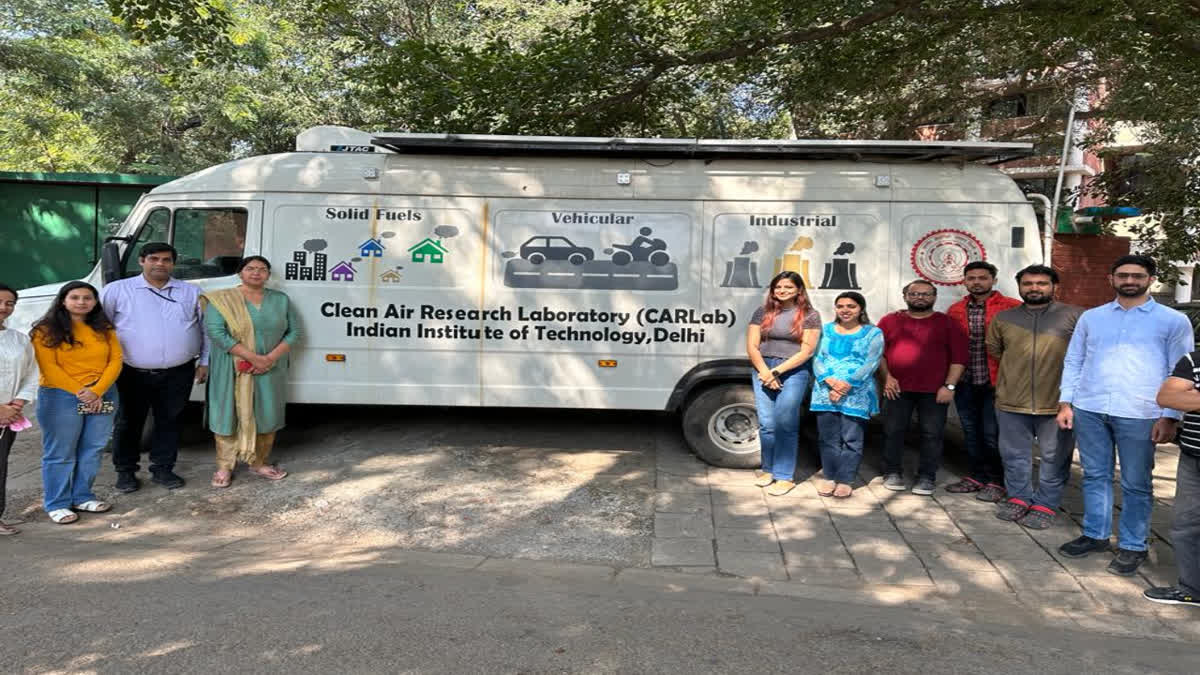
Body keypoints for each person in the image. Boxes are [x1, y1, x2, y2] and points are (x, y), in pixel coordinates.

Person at [1057, 255, 1194, 576]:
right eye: (1123, 275)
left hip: (1142, 412)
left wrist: (1170, 416)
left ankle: (1133, 545)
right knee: (1094, 476)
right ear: (1111, 279)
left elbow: (1181, 373)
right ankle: (1095, 534)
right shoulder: (1092, 318)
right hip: (1090, 408)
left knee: (1136, 483)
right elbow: (1074, 360)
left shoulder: (1173, 321)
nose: (1129, 280)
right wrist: (1066, 403)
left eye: (1137, 275)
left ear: (1150, 279)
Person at [101, 242, 209, 492]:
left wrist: (204, 362)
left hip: (178, 371)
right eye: (154, 258)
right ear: (141, 261)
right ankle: (126, 472)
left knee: (170, 421)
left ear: (173, 263)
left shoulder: (191, 292)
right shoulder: (116, 290)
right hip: (130, 371)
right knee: (128, 422)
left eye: (166, 260)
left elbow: (205, 330)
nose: (160, 264)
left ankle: (163, 469)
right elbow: (101, 331)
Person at [986, 265, 1082, 528]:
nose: (1034, 288)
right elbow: (995, 350)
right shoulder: (1004, 318)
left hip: (1058, 403)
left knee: (1055, 457)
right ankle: (1018, 498)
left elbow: (1087, 353)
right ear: (1019, 286)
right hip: (1011, 400)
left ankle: (1045, 503)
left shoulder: (1075, 316)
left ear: (1054, 287)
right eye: (1028, 283)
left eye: (1041, 283)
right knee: (1014, 455)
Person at [203, 257, 301, 488]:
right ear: (240, 273)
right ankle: (224, 466)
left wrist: (268, 359)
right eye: (250, 268)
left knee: (267, 414)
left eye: (262, 269)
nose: (256, 273)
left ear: (268, 275)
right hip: (231, 367)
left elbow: (294, 332)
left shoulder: (280, 300)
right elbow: (216, 333)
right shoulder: (222, 299)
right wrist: (255, 358)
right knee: (227, 414)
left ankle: (259, 463)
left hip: (270, 368)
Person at [30, 282, 122, 524]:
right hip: (61, 397)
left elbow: (116, 361)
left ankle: (82, 496)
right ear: (63, 300)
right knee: (60, 451)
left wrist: (98, 391)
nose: (82, 302)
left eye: (87, 298)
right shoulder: (44, 330)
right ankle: (57, 503)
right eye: (75, 297)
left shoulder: (104, 327)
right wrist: (83, 392)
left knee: (94, 447)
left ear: (95, 302)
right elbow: (48, 367)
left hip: (104, 394)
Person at [877, 280, 967, 495]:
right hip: (896, 388)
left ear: (935, 297)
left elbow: (959, 359)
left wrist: (950, 386)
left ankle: (927, 476)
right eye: (914, 293)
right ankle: (892, 471)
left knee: (932, 434)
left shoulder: (948, 323)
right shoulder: (889, 321)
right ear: (905, 296)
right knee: (893, 431)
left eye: (926, 294)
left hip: (934, 390)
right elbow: (878, 353)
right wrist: (887, 377)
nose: (920, 297)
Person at [944, 261, 1020, 501]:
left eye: (982, 278)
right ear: (964, 281)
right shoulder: (955, 309)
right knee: (970, 431)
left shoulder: (1011, 307)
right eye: (972, 278)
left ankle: (997, 481)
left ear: (993, 280)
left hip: (996, 381)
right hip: (966, 380)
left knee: (992, 433)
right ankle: (976, 476)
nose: (977, 282)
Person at [746, 271, 821, 496]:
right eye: (778, 287)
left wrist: (776, 372)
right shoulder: (762, 312)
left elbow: (807, 351)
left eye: (788, 287)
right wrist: (765, 372)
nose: (782, 291)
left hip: (794, 371)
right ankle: (768, 470)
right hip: (763, 368)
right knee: (767, 424)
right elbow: (752, 346)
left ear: (799, 290)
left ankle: (784, 476)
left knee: (785, 423)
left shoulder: (810, 314)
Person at [811, 292, 884, 498]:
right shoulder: (825, 331)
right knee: (828, 439)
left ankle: (846, 479)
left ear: (861, 309)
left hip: (856, 392)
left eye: (851, 306)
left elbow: (872, 362)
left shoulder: (873, 333)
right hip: (825, 391)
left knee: (852, 438)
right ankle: (830, 477)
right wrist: (829, 381)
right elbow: (816, 358)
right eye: (840, 306)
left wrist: (845, 385)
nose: (845, 310)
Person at [1143, 349, 1200, 607]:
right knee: (1185, 526)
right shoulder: (1195, 359)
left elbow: (1182, 396)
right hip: (1193, 456)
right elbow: (1167, 396)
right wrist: (1182, 397)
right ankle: (1192, 589)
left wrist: (1192, 397)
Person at [0, 284, 39, 535]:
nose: (3, 308)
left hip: (7, 416)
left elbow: (32, 373)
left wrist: (16, 404)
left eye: (9, 303)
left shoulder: (19, 339)